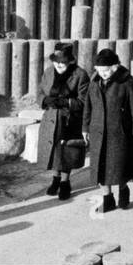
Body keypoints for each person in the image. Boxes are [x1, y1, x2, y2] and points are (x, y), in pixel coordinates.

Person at [82, 48, 133, 212]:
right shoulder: (94, 82)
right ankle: (108, 200)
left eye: (107, 70)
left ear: (115, 67)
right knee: (101, 170)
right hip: (98, 133)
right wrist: (85, 128)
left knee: (120, 167)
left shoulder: (126, 82)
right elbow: (88, 107)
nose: (103, 74)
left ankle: (123, 193)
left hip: (120, 133)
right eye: (100, 70)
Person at [35, 43, 90, 200]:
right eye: (56, 61)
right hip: (51, 119)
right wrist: (45, 100)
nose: (59, 64)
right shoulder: (48, 72)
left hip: (70, 120)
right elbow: (39, 92)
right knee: (54, 152)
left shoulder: (80, 75)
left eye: (63, 61)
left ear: (70, 61)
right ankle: (55, 179)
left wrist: (67, 103)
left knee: (66, 152)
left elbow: (84, 101)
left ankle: (65, 182)